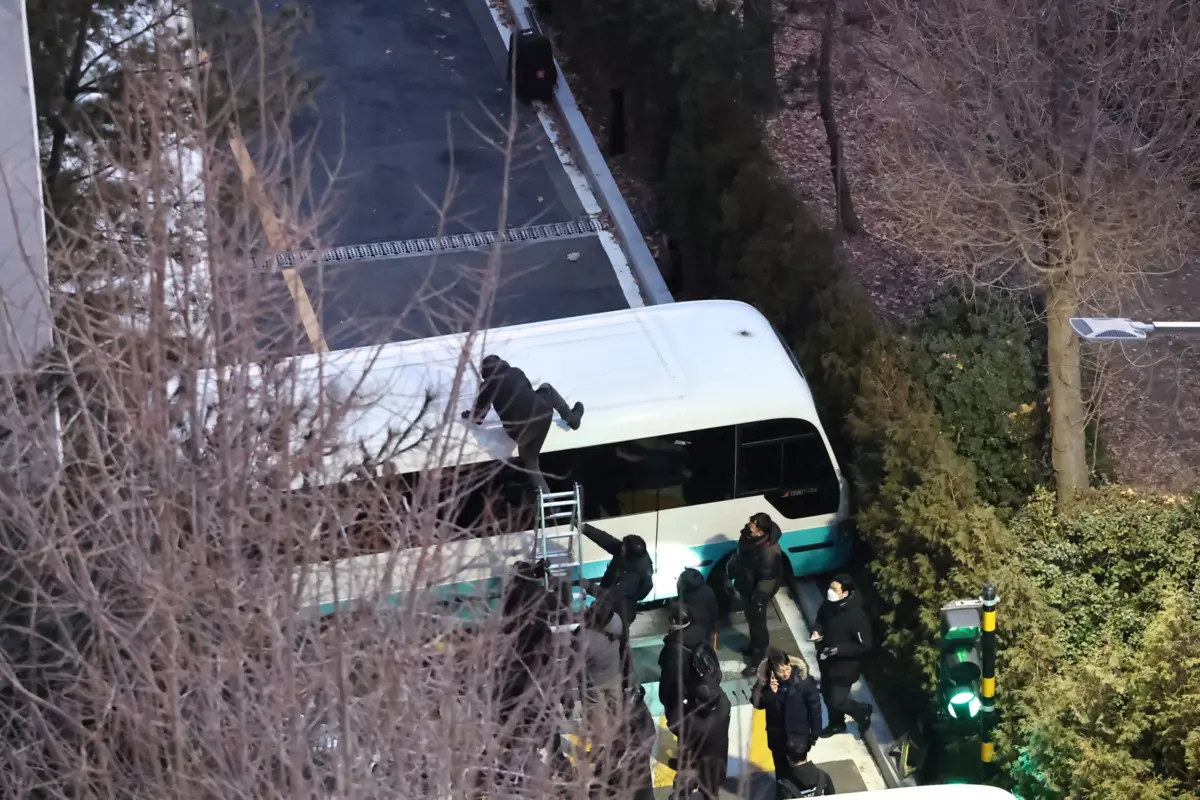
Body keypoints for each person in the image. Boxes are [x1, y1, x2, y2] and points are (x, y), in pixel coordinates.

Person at [462, 354, 584, 492]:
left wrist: (469, 415)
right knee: (546, 388)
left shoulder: (487, 386)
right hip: (541, 415)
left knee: (531, 462)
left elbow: (478, 418)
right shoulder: (515, 371)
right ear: (502, 363)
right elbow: (528, 395)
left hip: (519, 431)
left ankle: (549, 505)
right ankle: (572, 419)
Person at [751, 649, 822, 798]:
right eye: (781, 671)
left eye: (787, 668)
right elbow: (756, 702)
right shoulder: (764, 683)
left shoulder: (803, 681)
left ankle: (802, 792)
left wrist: (815, 733)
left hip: (799, 735)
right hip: (777, 737)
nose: (785, 673)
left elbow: (815, 707)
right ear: (772, 671)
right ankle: (783, 794)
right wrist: (770, 693)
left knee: (799, 769)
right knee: (781, 770)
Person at [809, 573, 873, 737]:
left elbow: (864, 645)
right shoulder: (828, 605)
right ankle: (836, 724)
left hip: (845, 667)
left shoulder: (856, 616)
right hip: (826, 660)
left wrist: (839, 649)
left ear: (845, 593)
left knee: (838, 700)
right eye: (830, 587)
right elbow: (820, 621)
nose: (830, 591)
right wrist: (816, 631)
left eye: (834, 589)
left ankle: (863, 711)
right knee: (826, 694)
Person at [730, 512, 785, 675]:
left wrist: (759, 599)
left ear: (760, 531)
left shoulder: (769, 551)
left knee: (758, 626)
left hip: (758, 594)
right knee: (751, 619)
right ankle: (753, 646)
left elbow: (768, 579)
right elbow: (740, 556)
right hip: (747, 586)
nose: (749, 525)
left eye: (753, 524)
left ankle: (760, 658)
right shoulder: (748, 537)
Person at [580, 522, 654, 628]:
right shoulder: (628, 553)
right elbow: (607, 540)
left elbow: (610, 595)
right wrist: (586, 529)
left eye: (623, 547)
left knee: (601, 636)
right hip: (612, 602)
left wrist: (589, 586)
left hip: (620, 614)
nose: (621, 548)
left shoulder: (634, 576)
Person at [658, 603, 715, 733]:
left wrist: (666, 699)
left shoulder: (675, 648)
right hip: (697, 689)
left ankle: (685, 748)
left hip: (682, 693)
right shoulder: (700, 632)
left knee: (679, 726)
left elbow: (670, 679)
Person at [675, 681, 731, 799]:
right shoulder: (723, 712)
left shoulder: (694, 724)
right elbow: (724, 699)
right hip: (720, 763)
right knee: (712, 792)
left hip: (701, 767)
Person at [677, 567, 719, 647]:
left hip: (689, 629)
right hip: (705, 626)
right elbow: (714, 609)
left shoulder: (684, 594)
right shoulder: (707, 590)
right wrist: (714, 621)